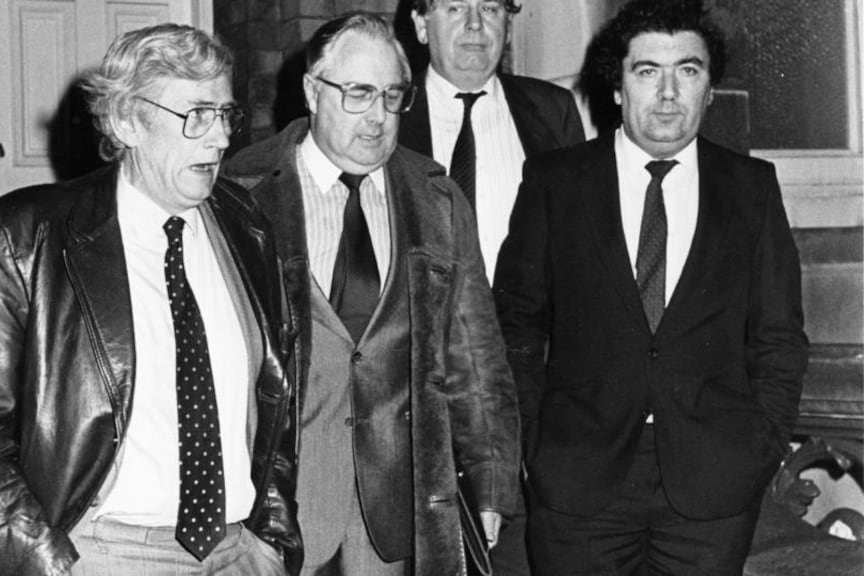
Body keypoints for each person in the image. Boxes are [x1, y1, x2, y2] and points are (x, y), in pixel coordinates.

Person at [0, 23, 301, 576]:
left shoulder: (246, 227)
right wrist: (45, 566)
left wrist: (271, 539)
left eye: (226, 114)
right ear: (126, 121)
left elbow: (278, 403)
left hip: (235, 552)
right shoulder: (22, 238)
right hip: (98, 552)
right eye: (196, 115)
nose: (220, 138)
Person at [492, 0, 808, 574]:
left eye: (687, 70)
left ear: (709, 90)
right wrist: (535, 446)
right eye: (647, 71)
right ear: (617, 87)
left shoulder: (752, 187)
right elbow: (515, 327)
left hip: (712, 487)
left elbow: (779, 338)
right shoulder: (556, 182)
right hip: (577, 483)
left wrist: (756, 453)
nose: (667, 93)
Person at [224, 13, 519, 576]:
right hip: (274, 506)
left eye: (392, 96)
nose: (378, 117)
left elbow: (476, 356)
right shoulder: (242, 192)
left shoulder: (437, 199)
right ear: (313, 91)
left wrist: (490, 483)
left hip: (394, 509)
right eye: (358, 93)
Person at [400, 0, 585, 281]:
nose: (475, 24)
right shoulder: (390, 113)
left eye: (489, 9)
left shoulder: (553, 110)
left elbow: (576, 237)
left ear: (508, 25)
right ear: (421, 25)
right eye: (456, 8)